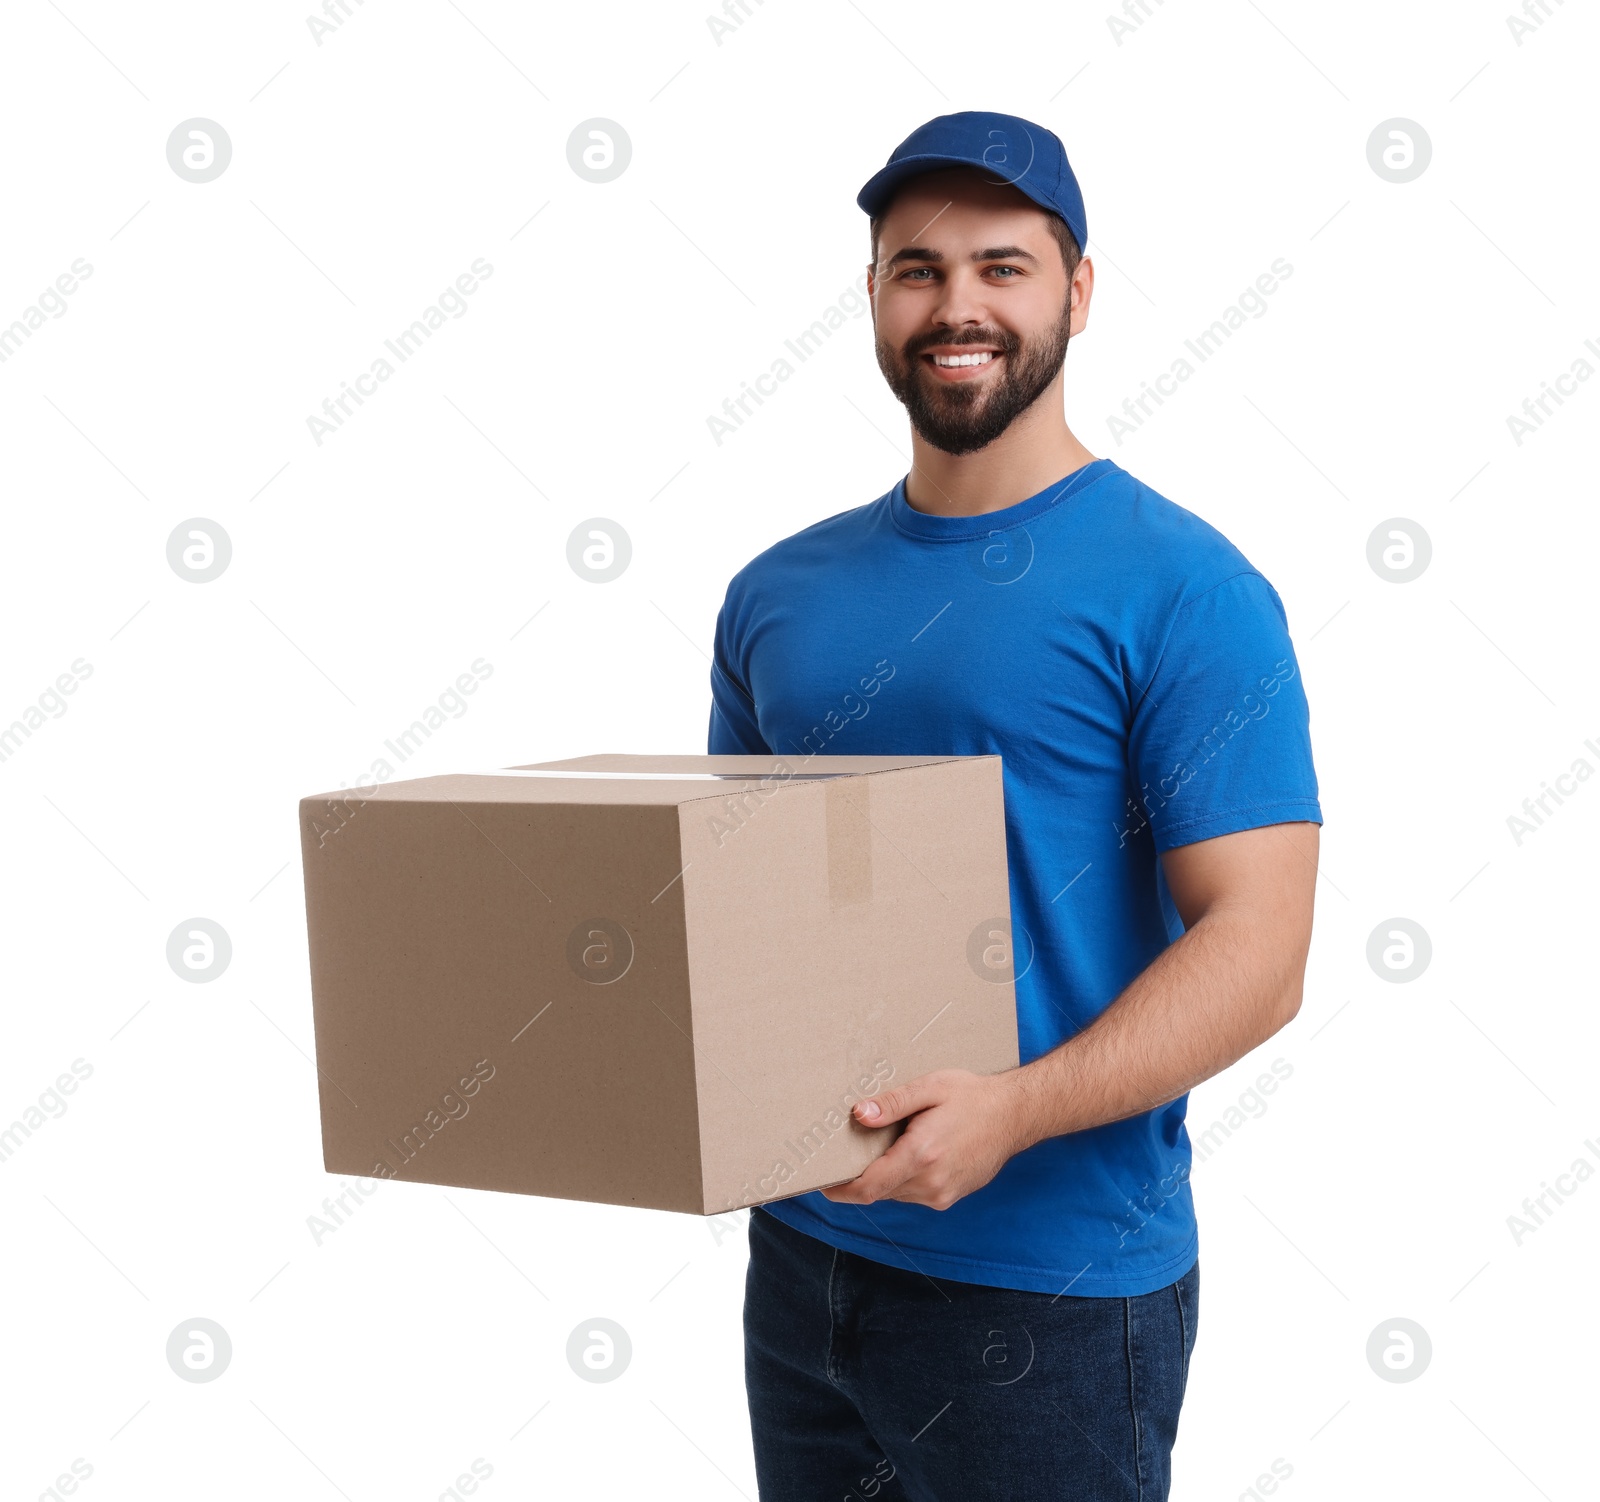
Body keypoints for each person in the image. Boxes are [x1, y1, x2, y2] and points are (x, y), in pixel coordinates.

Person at [706, 110, 1322, 1502]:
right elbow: (738, 910)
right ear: (872, 297)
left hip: (1049, 1291)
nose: (957, 304)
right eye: (917, 269)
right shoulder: (777, 593)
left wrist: (1015, 1108)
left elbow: (1262, 947)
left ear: (1078, 292)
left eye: (1003, 265)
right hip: (804, 1261)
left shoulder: (1188, 589)